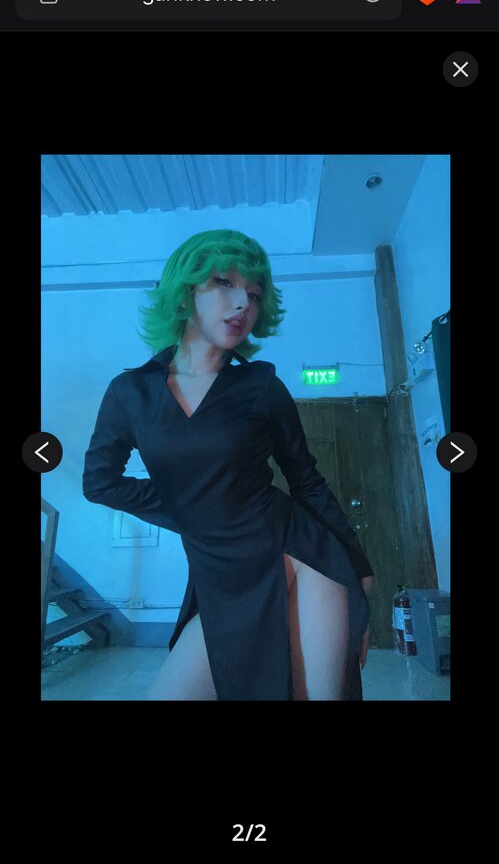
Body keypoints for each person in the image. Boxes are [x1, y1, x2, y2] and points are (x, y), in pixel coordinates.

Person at [82, 229, 374, 701]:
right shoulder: (130, 393)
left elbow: (307, 481)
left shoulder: (262, 386)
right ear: (185, 293)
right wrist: (194, 508)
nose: (242, 303)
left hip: (300, 556)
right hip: (220, 577)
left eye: (254, 295)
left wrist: (359, 568)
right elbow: (100, 483)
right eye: (224, 283)